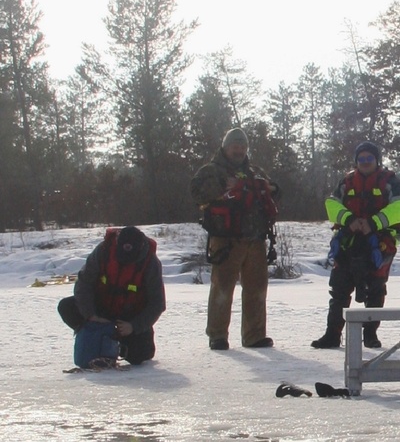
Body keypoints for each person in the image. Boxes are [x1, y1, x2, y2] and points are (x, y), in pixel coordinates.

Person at [191, 127, 280, 350]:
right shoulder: (212, 170)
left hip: (256, 239)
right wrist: (226, 187)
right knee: (222, 288)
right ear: (225, 146)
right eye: (234, 146)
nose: (239, 150)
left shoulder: (255, 171)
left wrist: (266, 187)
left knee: (257, 289)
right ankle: (217, 335)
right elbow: (198, 192)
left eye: (242, 146)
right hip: (226, 240)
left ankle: (254, 335)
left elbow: (276, 191)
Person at [312, 140, 400, 350]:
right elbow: (331, 204)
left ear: (377, 161)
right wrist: (350, 220)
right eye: (361, 159)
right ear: (356, 162)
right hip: (349, 243)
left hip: (379, 245)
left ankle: (370, 335)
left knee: (376, 290)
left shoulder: (390, 181)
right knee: (339, 290)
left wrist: (372, 223)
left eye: (369, 159)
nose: (365, 162)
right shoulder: (346, 182)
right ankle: (332, 335)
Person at [58, 225, 165, 368]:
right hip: (100, 311)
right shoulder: (103, 251)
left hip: (129, 318)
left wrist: (133, 326)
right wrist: (91, 315)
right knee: (66, 306)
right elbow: (83, 284)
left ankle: (117, 345)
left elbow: (157, 303)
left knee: (141, 354)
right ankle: (95, 337)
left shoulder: (151, 263)